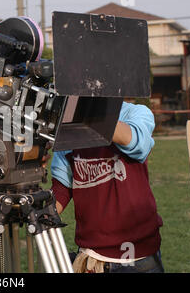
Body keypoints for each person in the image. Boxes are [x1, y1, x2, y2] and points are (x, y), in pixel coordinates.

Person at [50, 101, 164, 273]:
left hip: (138, 257)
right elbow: (61, 190)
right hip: (94, 257)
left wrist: (84, 114)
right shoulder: (68, 126)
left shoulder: (136, 112)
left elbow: (136, 142)